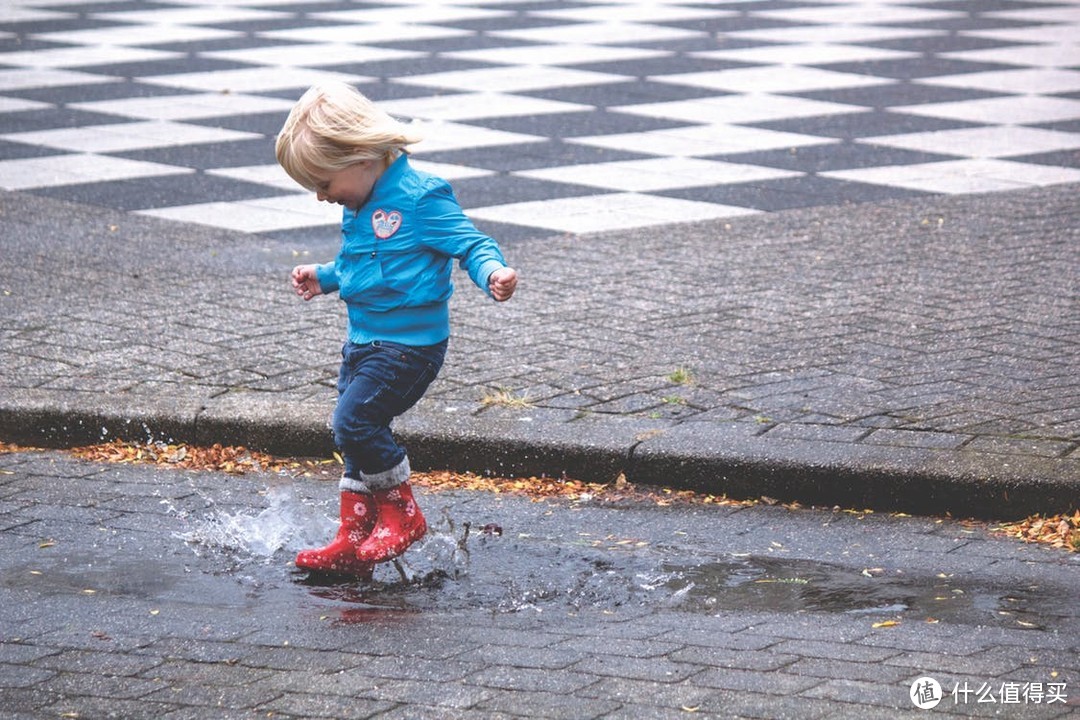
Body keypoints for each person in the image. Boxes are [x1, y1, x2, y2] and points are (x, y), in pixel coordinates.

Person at [275, 81, 518, 578]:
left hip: (410, 347)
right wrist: (324, 277)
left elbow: (471, 243)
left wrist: (493, 272)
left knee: (354, 422)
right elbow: (361, 265)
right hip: (362, 342)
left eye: (323, 183)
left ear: (362, 157)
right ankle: (355, 533)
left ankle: (403, 515)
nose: (321, 197)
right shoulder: (358, 204)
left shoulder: (421, 197)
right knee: (356, 435)